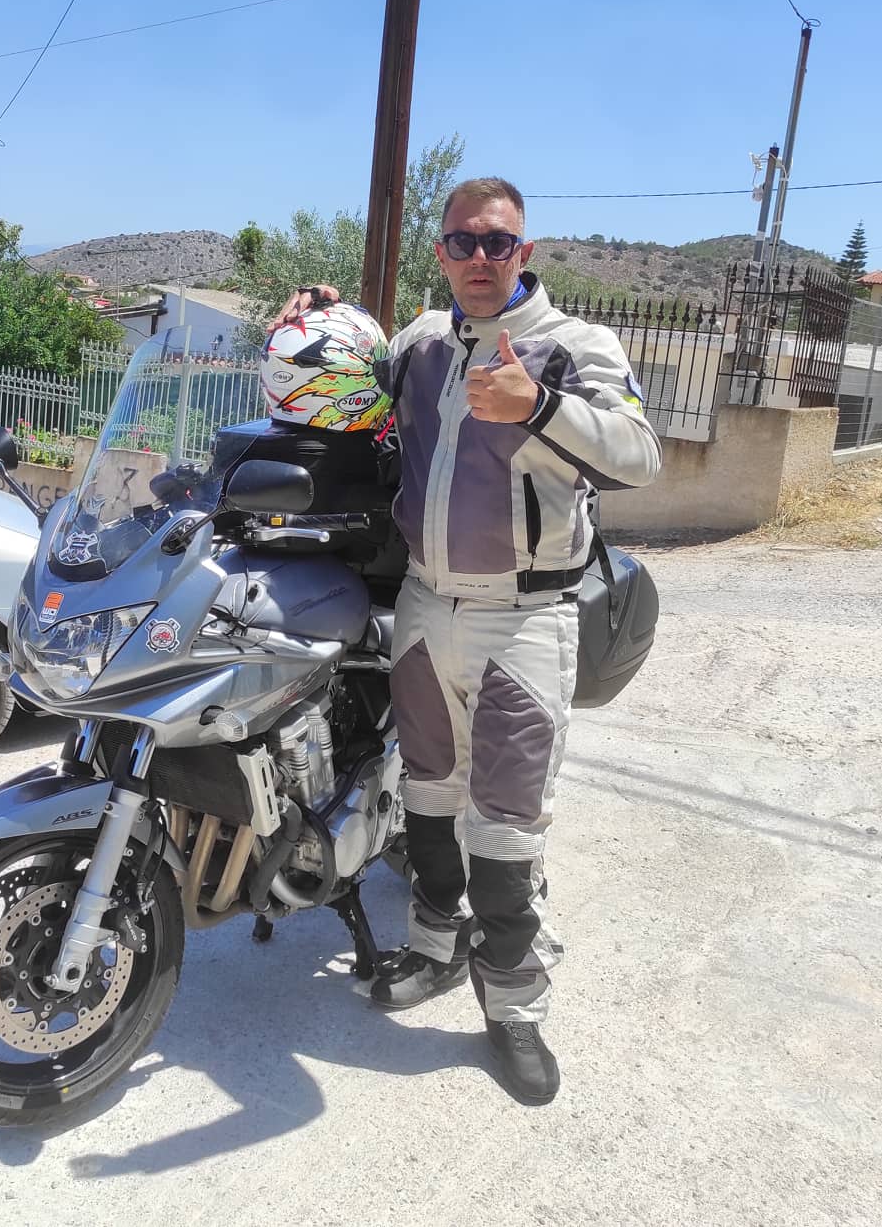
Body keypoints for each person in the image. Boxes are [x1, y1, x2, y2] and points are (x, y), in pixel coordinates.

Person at [270, 177, 660, 1104]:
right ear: (442, 253)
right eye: (462, 243)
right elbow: (341, 393)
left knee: (508, 823)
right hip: (423, 604)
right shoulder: (420, 344)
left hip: (524, 616)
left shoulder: (575, 346)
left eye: (497, 243)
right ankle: (436, 949)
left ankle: (514, 1009)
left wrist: (539, 405)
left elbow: (642, 457)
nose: (480, 258)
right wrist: (314, 318)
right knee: (430, 796)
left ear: (525, 252)